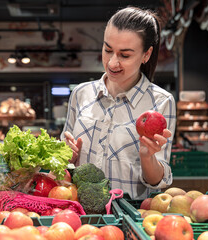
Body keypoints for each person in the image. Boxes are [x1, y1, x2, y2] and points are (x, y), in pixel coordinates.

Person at [61, 6, 176, 200]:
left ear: (146, 55)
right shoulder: (81, 93)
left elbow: (156, 181)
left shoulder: (161, 102)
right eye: (108, 50)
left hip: (130, 217)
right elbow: (64, 161)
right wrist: (66, 156)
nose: (113, 63)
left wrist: (147, 157)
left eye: (125, 55)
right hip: (79, 215)